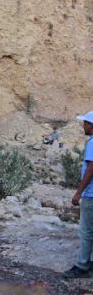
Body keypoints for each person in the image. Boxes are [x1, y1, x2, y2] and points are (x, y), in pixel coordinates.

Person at [64, 111, 93, 279]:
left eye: (86, 123)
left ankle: (82, 266)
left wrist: (78, 193)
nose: (83, 126)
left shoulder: (92, 143)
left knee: (86, 231)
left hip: (90, 195)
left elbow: (91, 169)